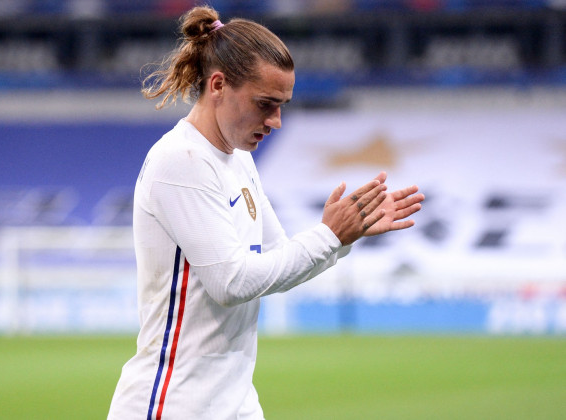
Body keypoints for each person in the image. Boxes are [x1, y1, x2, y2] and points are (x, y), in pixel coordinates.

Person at [107, 6, 424, 420]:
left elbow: (280, 259)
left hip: (233, 401)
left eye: (283, 105)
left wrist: (345, 236)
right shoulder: (181, 161)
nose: (276, 121)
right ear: (218, 85)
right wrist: (329, 236)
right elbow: (232, 282)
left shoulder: (237, 158)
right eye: (265, 104)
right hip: (175, 404)